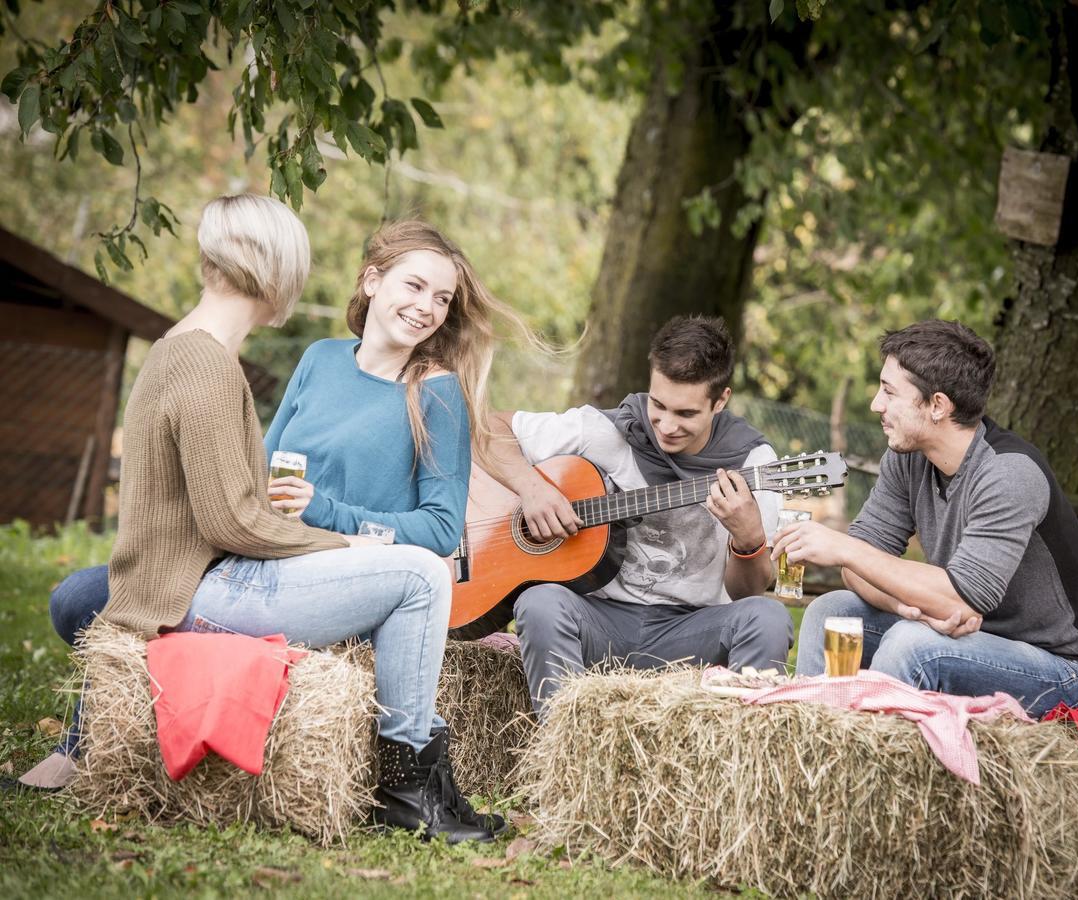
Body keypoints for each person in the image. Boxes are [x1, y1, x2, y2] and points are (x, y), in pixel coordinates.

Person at [26, 201, 502, 843]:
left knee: (417, 576)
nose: (426, 307)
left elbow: (442, 532)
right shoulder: (320, 358)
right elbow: (257, 470)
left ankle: (408, 784)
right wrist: (253, 507)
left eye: (442, 298)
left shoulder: (435, 392)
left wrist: (328, 517)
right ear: (371, 281)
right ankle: (92, 745)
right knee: (80, 597)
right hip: (261, 556)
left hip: (334, 569)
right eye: (413, 285)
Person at [778, 320, 1078, 718]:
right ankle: (815, 744)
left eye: (889, 391)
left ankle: (869, 766)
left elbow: (960, 596)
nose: (875, 405)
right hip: (963, 637)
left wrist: (844, 548)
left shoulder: (1009, 474)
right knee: (830, 612)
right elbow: (858, 571)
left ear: (937, 405)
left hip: (1059, 670)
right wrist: (907, 606)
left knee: (912, 645)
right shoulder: (907, 457)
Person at [484, 315, 794, 719]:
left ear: (721, 401)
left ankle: (735, 764)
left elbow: (747, 594)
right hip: (600, 621)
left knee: (768, 616)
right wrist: (532, 488)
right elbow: (491, 428)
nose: (665, 425)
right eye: (658, 404)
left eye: (686, 413)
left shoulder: (753, 462)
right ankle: (564, 754)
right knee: (540, 602)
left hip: (690, 628)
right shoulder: (605, 431)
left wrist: (748, 540)